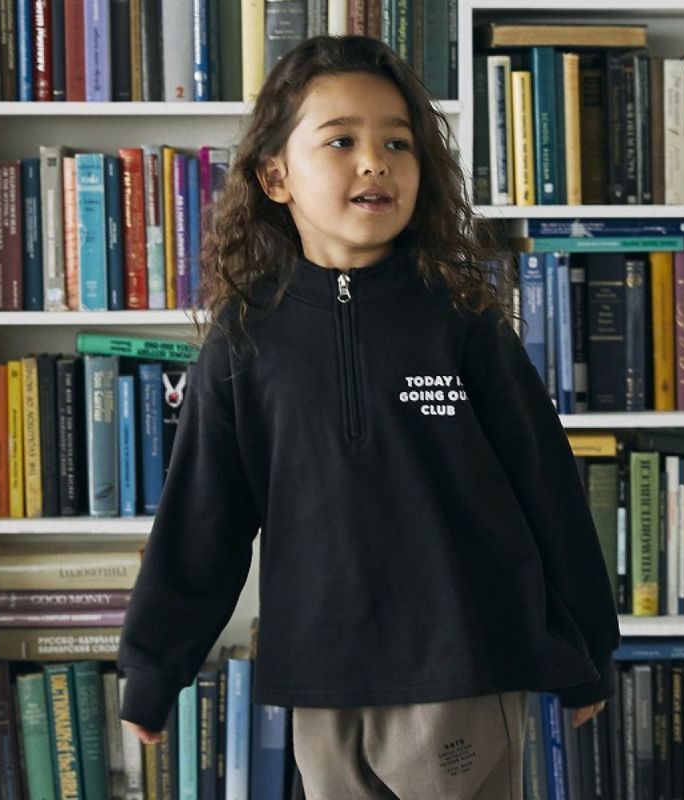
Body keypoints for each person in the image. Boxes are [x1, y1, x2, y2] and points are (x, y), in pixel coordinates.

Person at [118, 34, 620, 799]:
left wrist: (587, 645)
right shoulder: (245, 339)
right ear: (275, 176)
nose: (375, 162)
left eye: (397, 142)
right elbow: (203, 515)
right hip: (322, 678)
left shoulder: (462, 323)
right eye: (341, 141)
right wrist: (156, 666)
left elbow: (544, 484)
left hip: (461, 666)